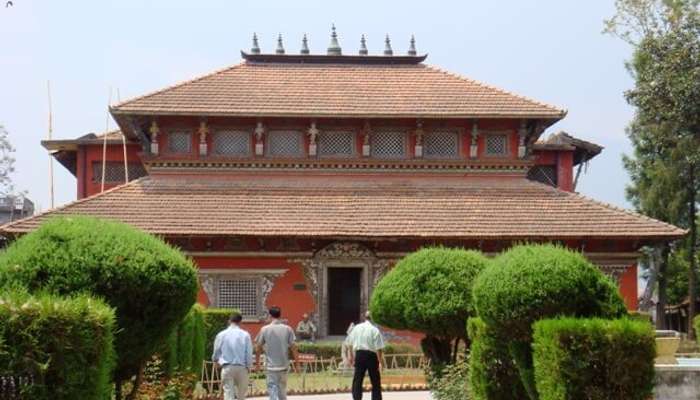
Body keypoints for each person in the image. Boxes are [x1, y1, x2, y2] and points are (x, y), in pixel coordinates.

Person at [256, 306, 297, 400]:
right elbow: (294, 347)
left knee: (272, 390)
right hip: (283, 365)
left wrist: (258, 364)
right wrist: (298, 364)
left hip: (271, 367)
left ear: (270, 316)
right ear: (280, 315)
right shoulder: (288, 329)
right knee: (282, 390)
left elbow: (258, 347)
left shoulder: (265, 329)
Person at [212, 311, 253, 400]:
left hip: (227, 367)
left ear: (229, 321)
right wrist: (249, 366)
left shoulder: (221, 334)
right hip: (242, 367)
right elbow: (249, 353)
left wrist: (215, 360)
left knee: (228, 394)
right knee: (241, 395)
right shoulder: (245, 335)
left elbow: (216, 350)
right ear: (240, 322)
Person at [347, 311, 385, 400]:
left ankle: (356, 398)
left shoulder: (356, 328)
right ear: (372, 319)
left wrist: (351, 357)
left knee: (358, 379)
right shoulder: (375, 330)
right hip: (371, 356)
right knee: (375, 380)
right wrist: (381, 362)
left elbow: (349, 343)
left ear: (364, 317)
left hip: (359, 354)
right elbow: (379, 349)